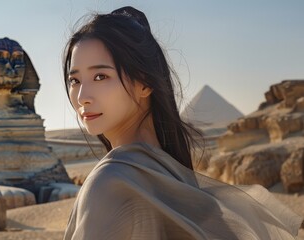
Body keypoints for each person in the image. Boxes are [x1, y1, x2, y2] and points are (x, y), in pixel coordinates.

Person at [62, 6, 302, 240]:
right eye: (74, 80)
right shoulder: (175, 177)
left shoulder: (109, 182)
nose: (82, 96)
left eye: (100, 76)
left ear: (144, 83)